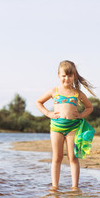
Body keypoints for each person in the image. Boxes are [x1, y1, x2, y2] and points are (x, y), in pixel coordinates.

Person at [35, 60, 95, 190]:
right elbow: (38, 102)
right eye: (63, 76)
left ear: (74, 76)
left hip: (73, 127)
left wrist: (81, 115)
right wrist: (48, 113)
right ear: (58, 76)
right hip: (56, 128)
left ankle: (74, 187)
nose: (66, 79)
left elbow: (89, 107)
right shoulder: (54, 91)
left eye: (70, 76)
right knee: (57, 157)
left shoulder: (77, 93)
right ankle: (55, 186)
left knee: (73, 157)